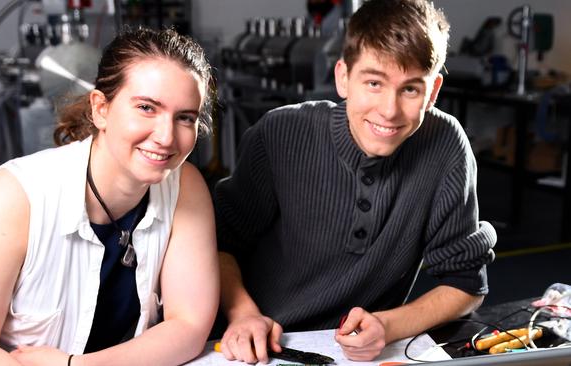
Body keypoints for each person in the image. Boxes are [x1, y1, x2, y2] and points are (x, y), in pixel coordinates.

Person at [213, 0, 497, 363]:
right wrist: (243, 315)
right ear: (343, 77)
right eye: (374, 82)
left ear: (434, 90)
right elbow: (220, 244)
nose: (390, 110)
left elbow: (466, 285)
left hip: (361, 355)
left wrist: (389, 325)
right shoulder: (280, 133)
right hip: (256, 346)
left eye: (410, 89)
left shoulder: (445, 145)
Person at [0, 27, 219, 366]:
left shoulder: (185, 186)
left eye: (185, 117)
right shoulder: (10, 197)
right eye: (147, 108)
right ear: (101, 109)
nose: (166, 137)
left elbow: (188, 326)